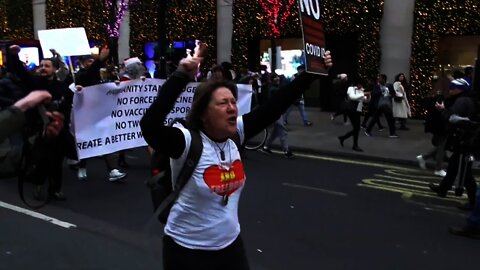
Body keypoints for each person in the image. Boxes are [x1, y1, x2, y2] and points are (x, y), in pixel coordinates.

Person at [140, 41, 332, 270]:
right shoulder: (187, 140)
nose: (232, 107)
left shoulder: (236, 134)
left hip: (230, 247)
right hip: (186, 251)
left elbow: (275, 106)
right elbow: (150, 127)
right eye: (223, 103)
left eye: (233, 101)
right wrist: (181, 75)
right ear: (203, 114)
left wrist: (309, 74)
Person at [429, 74, 477, 209]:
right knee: (453, 166)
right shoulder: (466, 99)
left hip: (465, 141)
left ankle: (474, 201)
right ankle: (443, 189)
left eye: (452, 88)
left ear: (460, 89)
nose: (450, 90)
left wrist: (443, 110)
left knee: (465, 174)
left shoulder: (462, 102)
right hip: (465, 140)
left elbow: (453, 119)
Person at [261, 73, 294, 158]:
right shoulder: (273, 89)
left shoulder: (274, 87)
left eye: (278, 77)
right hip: (275, 112)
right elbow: (282, 92)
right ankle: (286, 151)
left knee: (275, 132)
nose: (278, 78)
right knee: (283, 130)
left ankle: (266, 146)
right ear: (272, 80)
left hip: (277, 112)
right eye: (276, 77)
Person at [338, 78, 370, 152]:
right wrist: (363, 94)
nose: (361, 86)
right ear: (357, 83)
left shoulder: (361, 90)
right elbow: (352, 97)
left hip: (358, 110)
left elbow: (365, 100)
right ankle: (354, 145)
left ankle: (343, 138)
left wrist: (368, 96)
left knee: (357, 128)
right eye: (359, 84)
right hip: (351, 110)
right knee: (356, 128)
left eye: (362, 85)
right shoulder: (351, 88)